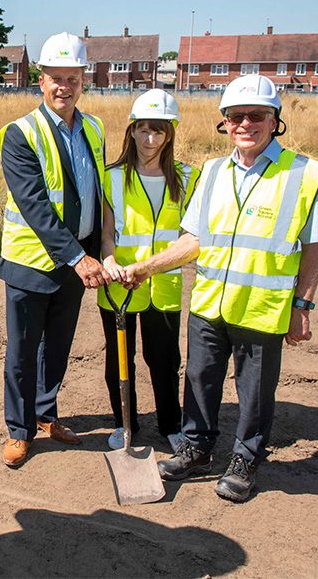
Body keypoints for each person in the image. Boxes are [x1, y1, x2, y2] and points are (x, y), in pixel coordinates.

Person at [124, 75, 318, 502]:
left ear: (275, 121)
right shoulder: (213, 172)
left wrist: (302, 305)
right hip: (209, 302)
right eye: (237, 116)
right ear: (224, 122)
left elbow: (314, 246)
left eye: (257, 116)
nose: (246, 124)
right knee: (198, 378)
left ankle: (246, 458)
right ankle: (196, 448)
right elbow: (194, 239)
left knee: (253, 389)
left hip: (262, 306)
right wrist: (146, 267)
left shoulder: (303, 174)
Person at [0, 32, 109, 468]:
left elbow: (99, 193)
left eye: (73, 78)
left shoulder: (94, 128)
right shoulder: (20, 134)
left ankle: (47, 416)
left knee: (57, 347)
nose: (64, 86)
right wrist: (79, 259)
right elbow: (36, 206)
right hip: (32, 263)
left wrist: (101, 249)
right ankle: (19, 431)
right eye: (55, 78)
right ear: (40, 81)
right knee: (23, 352)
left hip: (76, 262)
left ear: (84, 80)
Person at [98, 90, 198, 452]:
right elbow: (107, 232)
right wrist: (109, 261)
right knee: (119, 360)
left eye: (158, 132)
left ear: (170, 134)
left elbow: (191, 236)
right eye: (143, 130)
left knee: (165, 359)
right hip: (119, 285)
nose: (150, 139)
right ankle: (125, 424)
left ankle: (172, 425)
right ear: (131, 131)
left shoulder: (189, 178)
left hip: (165, 286)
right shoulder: (112, 177)